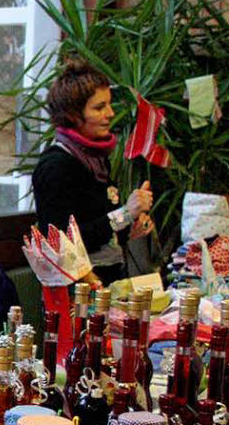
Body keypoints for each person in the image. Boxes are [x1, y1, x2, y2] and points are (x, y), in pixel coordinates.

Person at [32, 58, 154, 284]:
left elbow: (101, 224)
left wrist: (132, 225)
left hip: (110, 278)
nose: (109, 113)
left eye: (109, 104)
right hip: (79, 290)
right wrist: (125, 214)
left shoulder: (96, 158)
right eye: (99, 107)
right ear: (73, 115)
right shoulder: (55, 166)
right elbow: (60, 242)